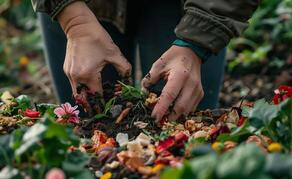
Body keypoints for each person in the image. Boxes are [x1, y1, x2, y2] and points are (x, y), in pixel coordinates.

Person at [31, 0, 259, 123]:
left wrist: (197, 39)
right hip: (80, 5)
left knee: (181, 128)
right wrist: (75, 21)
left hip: (185, 7)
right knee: (87, 126)